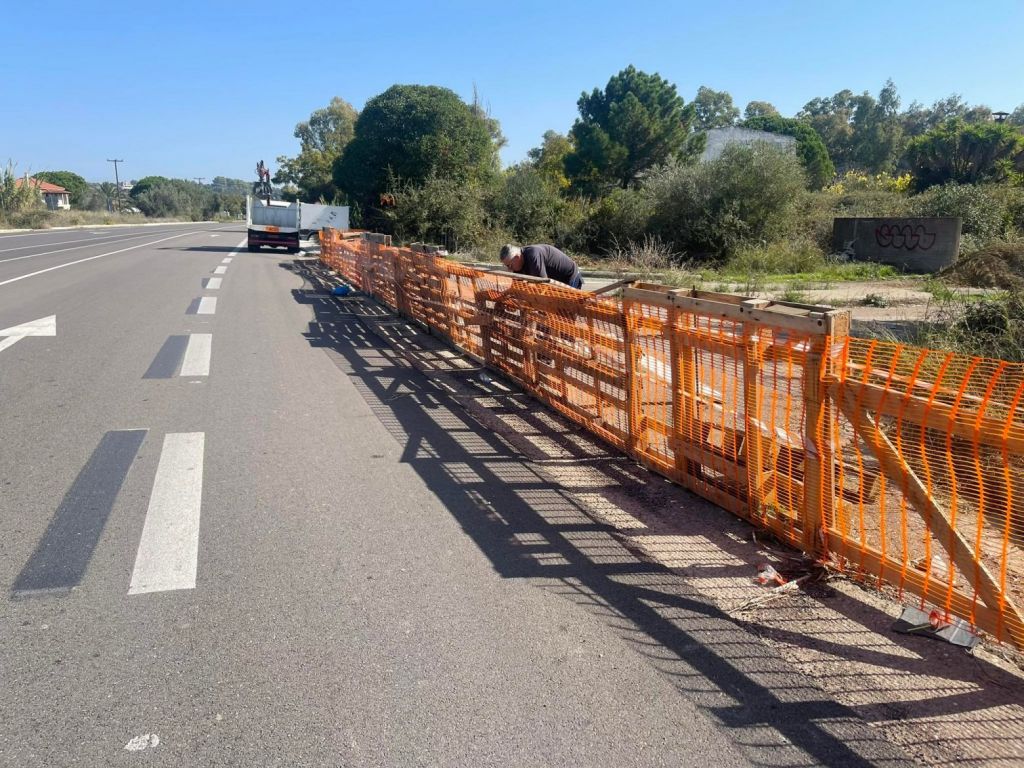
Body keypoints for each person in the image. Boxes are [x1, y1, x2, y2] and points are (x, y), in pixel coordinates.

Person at [499, 243, 583, 289]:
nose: (509, 269)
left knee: (565, 310)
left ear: (517, 257)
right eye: (507, 266)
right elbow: (516, 287)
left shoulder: (533, 256)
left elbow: (542, 286)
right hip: (556, 281)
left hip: (570, 277)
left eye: (510, 265)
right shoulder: (517, 264)